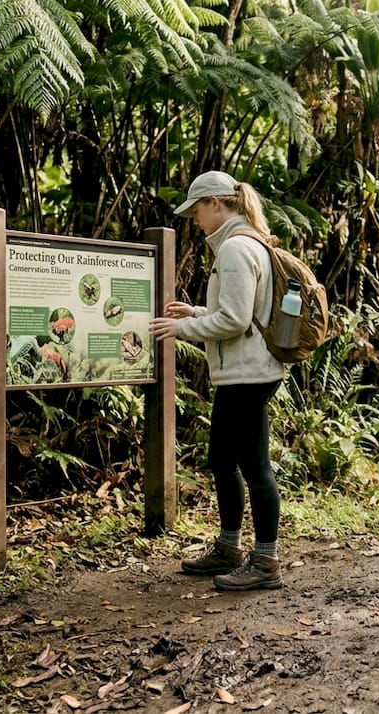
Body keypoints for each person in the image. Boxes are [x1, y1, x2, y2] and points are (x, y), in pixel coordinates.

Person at [149, 170, 285, 591]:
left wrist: (182, 330)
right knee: (223, 460)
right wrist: (194, 312)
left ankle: (265, 561)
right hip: (244, 371)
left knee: (254, 466)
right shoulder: (246, 243)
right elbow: (240, 312)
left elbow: (235, 319)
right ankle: (229, 547)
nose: (194, 219)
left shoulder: (235, 248)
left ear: (215, 204)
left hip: (247, 374)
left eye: (196, 210)